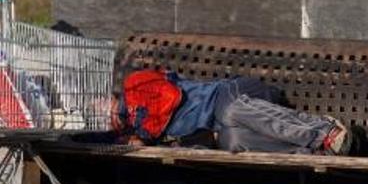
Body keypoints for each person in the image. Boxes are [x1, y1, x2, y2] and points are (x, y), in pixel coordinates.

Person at [111, 69, 353, 155]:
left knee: (230, 111)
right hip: (224, 128)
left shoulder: (136, 85)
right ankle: (314, 151)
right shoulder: (144, 133)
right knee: (231, 140)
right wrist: (145, 141)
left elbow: (170, 98)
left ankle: (324, 131)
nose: (102, 109)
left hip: (234, 94)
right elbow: (199, 144)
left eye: (101, 103)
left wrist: (138, 126)